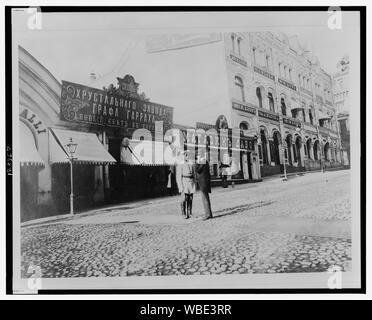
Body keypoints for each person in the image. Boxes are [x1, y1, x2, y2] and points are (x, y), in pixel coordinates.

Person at [176, 151, 196, 219]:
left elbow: (194, 175)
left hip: (191, 183)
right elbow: (178, 177)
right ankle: (183, 213)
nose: (187, 156)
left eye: (187, 155)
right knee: (184, 199)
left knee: (190, 198)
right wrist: (180, 186)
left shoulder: (191, 164)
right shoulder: (180, 164)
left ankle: (190, 213)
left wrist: (194, 184)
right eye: (185, 155)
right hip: (184, 183)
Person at [196, 154, 213, 220]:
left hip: (203, 183)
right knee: (206, 198)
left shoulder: (202, 162)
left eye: (198, 156)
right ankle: (209, 214)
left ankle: (207, 214)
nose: (197, 157)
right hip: (205, 182)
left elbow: (197, 170)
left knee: (205, 199)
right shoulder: (205, 161)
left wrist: (197, 162)